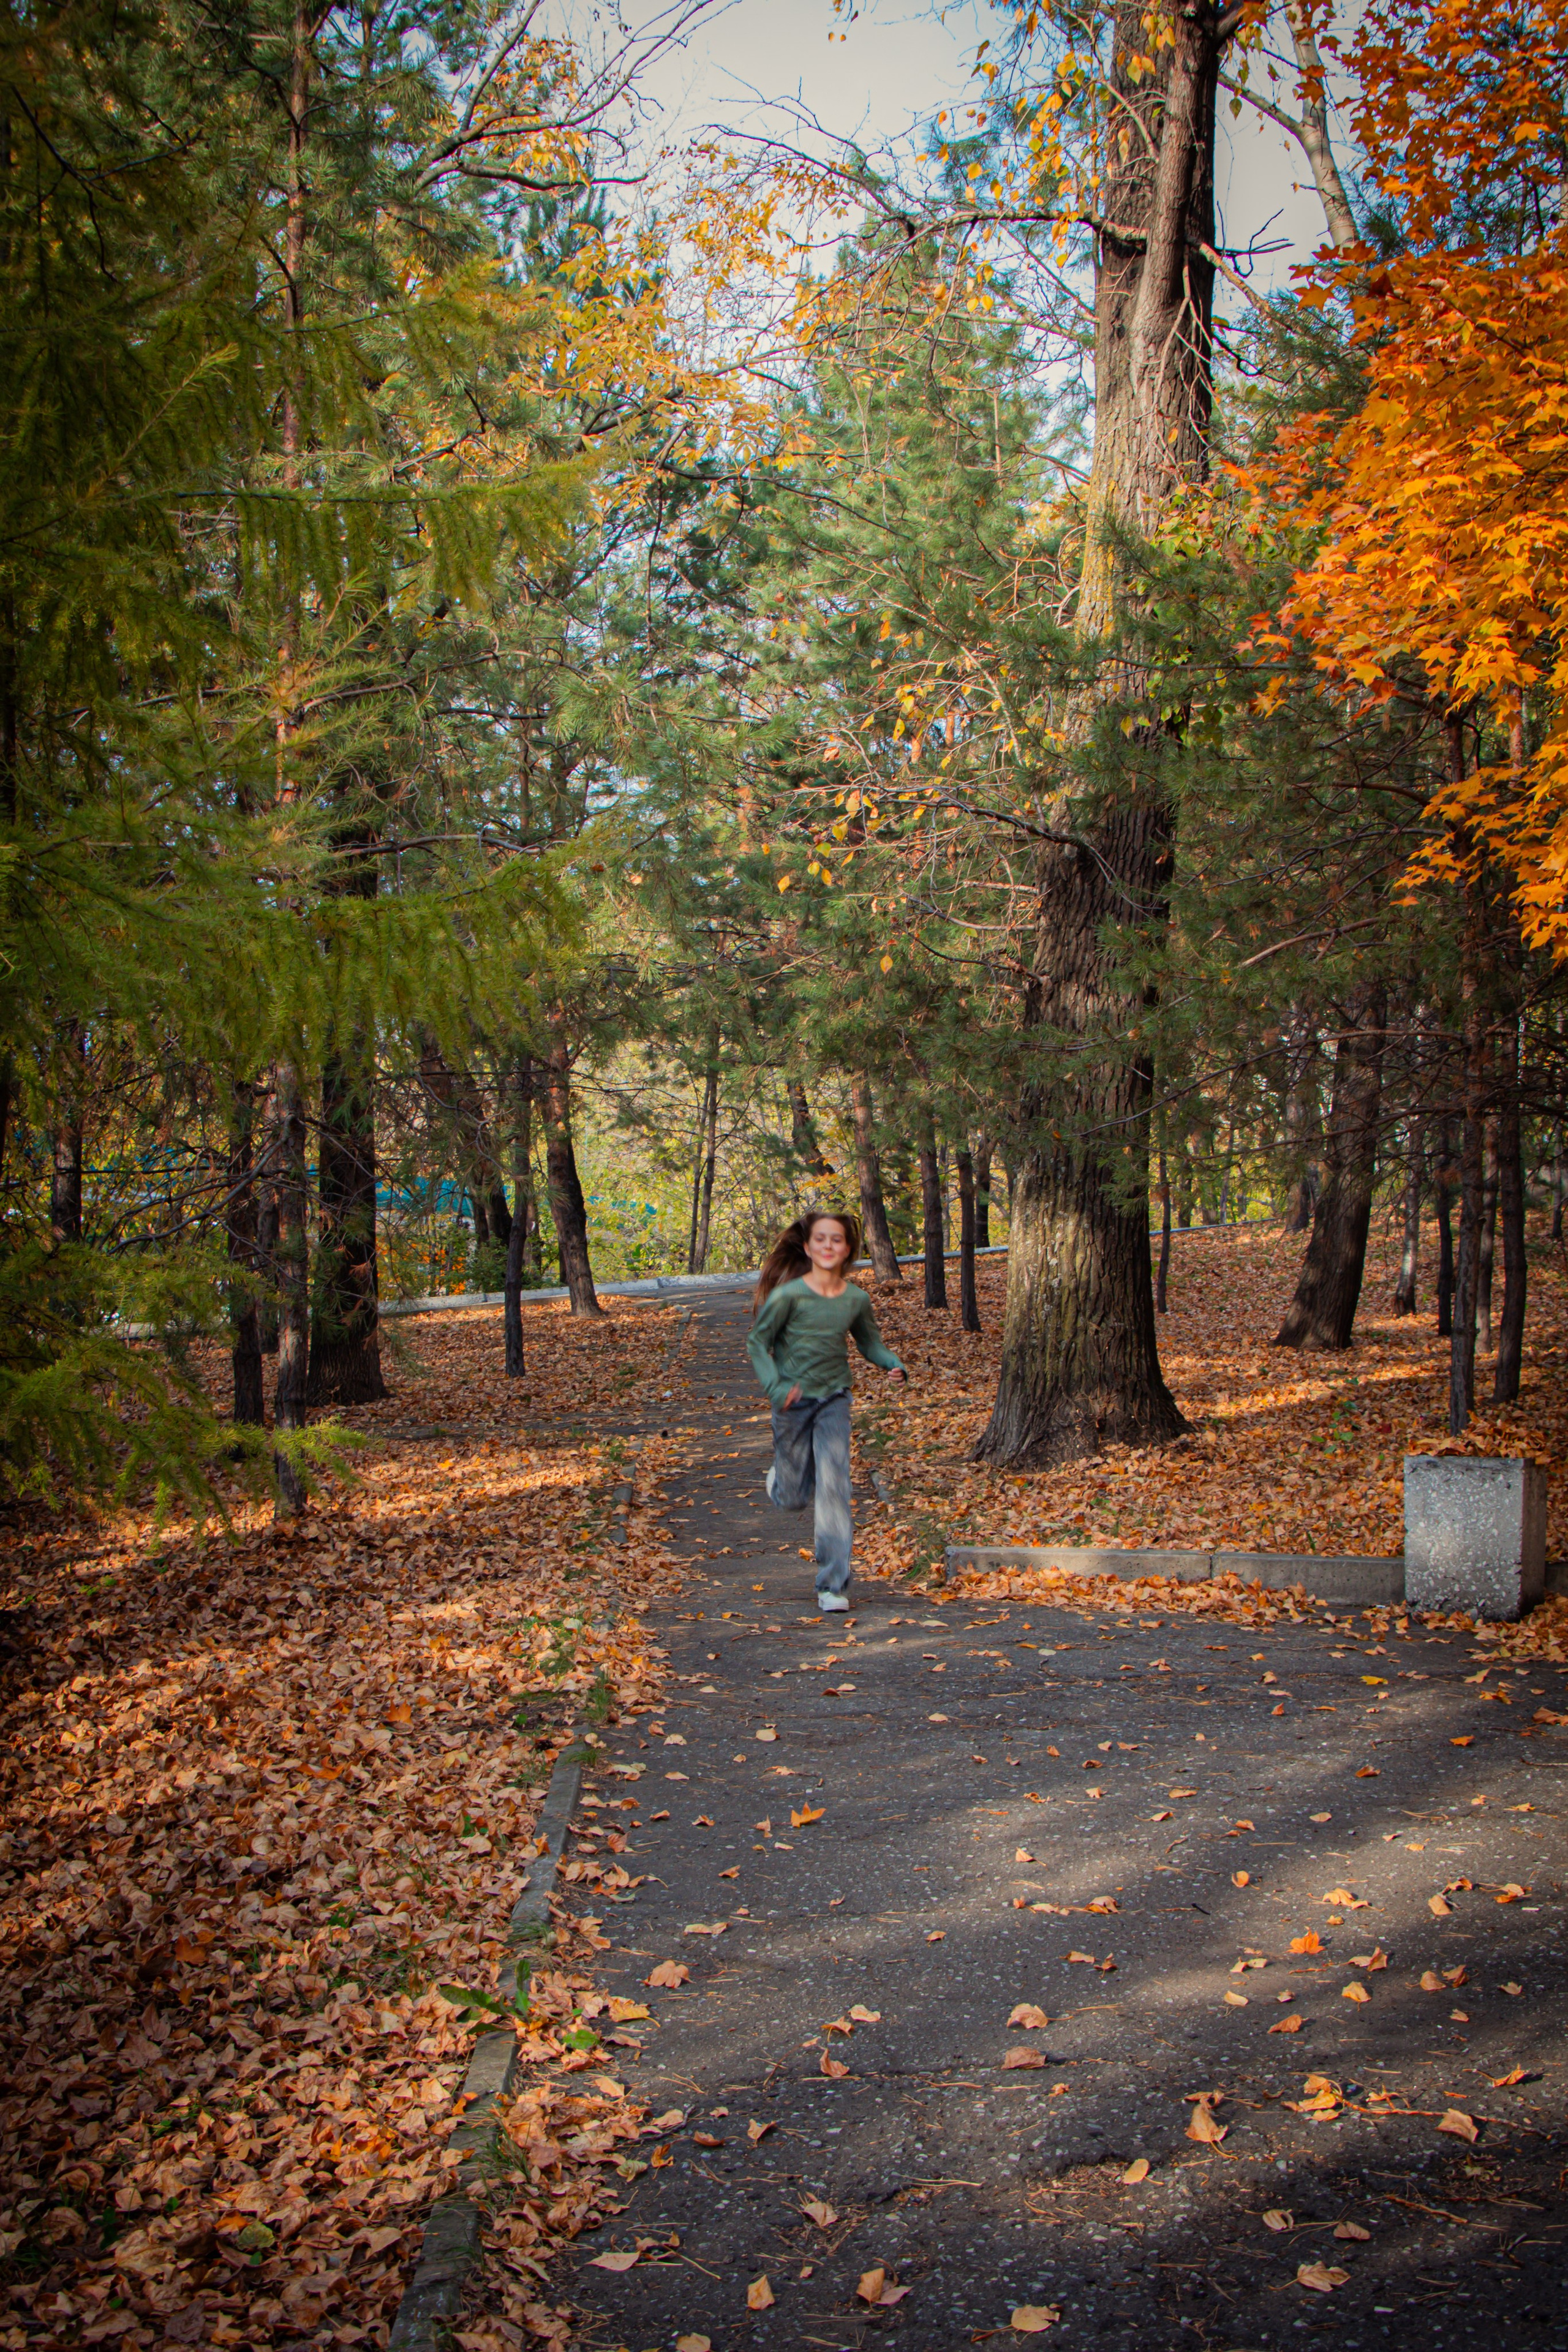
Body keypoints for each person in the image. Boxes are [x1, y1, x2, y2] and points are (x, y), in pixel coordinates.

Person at [746, 1208, 907, 1613]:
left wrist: (891, 1363)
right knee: (794, 1498)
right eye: (821, 1239)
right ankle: (782, 1481)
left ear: (848, 1248)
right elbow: (756, 1343)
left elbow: (869, 1343)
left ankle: (833, 1585)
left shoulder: (856, 1299)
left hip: (835, 1399)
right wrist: (776, 1385)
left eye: (837, 1239)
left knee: (835, 1487)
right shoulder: (788, 1296)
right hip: (793, 1403)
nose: (829, 1245)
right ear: (807, 1246)